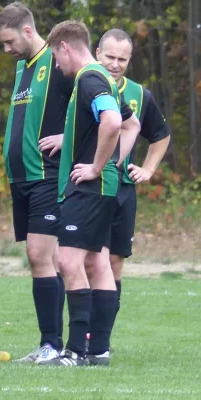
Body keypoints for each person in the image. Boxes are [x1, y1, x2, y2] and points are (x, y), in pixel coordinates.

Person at [40, 20, 140, 366]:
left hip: (89, 187)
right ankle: (98, 351)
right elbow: (132, 124)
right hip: (103, 188)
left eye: (55, 55)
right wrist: (114, 161)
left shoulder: (89, 78)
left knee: (67, 260)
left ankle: (73, 352)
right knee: (97, 263)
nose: (57, 65)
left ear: (65, 47)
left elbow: (114, 122)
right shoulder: (102, 78)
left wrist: (98, 166)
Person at [0, 2, 74, 363]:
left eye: (9, 41)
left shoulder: (58, 63)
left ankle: (52, 344)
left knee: (38, 256)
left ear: (27, 31)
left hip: (47, 177)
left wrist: (67, 138)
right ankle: (53, 345)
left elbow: (100, 106)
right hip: (21, 179)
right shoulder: (23, 68)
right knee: (49, 260)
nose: (6, 49)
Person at [91, 29, 170, 324]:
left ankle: (101, 337)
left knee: (114, 263)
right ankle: (79, 333)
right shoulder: (82, 84)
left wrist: (148, 170)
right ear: (97, 53)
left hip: (122, 190)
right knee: (82, 261)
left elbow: (160, 136)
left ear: (129, 60)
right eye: (109, 56)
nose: (114, 63)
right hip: (85, 187)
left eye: (121, 59)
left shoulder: (139, 95)